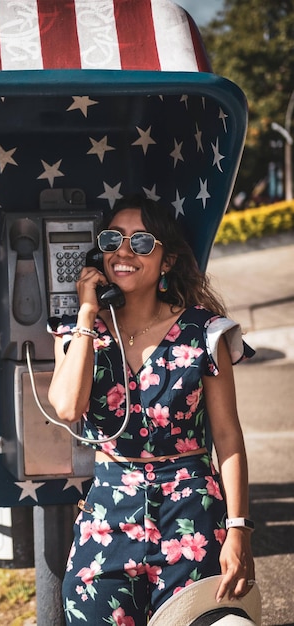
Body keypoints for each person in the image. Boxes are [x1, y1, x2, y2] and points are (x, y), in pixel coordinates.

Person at [47, 194, 256, 624]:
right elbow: (68, 407)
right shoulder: (78, 335)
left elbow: (229, 438)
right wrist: (88, 310)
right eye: (112, 239)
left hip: (191, 513)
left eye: (141, 242)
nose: (123, 251)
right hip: (109, 511)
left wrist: (239, 529)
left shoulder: (204, 332)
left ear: (167, 261)